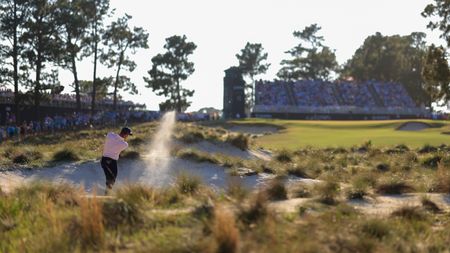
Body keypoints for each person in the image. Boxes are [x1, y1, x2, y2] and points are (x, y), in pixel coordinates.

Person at [101, 127, 132, 194]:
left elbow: (111, 133)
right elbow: (121, 143)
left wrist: (117, 135)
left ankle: (107, 193)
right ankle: (107, 194)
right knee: (112, 178)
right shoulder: (124, 144)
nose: (127, 136)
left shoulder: (110, 135)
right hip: (112, 162)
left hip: (104, 160)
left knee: (109, 178)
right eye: (127, 135)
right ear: (125, 135)